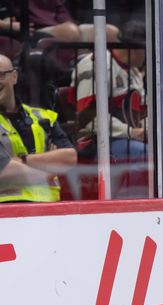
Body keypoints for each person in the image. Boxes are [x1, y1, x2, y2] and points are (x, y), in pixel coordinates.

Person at [0, 53, 76, 202]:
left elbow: (70, 158)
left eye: (1, 75)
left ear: (14, 76)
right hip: (7, 215)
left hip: (49, 213)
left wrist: (22, 160)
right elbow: (4, 172)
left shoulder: (43, 117)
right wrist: (47, 173)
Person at [74, 20, 147, 163]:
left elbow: (144, 112)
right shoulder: (95, 65)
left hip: (128, 139)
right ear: (135, 50)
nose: (148, 56)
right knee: (148, 154)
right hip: (97, 142)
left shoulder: (134, 72)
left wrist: (147, 130)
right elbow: (88, 116)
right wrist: (130, 132)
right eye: (146, 51)